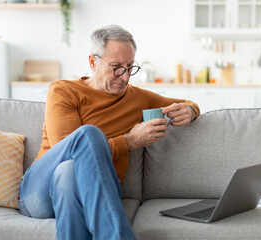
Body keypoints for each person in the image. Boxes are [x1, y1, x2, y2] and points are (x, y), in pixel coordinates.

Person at [18, 24, 200, 240]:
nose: (124, 77)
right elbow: (65, 150)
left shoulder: (138, 98)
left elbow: (188, 102)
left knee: (69, 173)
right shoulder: (64, 91)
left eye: (130, 67)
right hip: (40, 190)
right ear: (93, 62)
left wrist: (190, 110)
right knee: (87, 136)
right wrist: (130, 141)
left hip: (89, 189)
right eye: (116, 67)